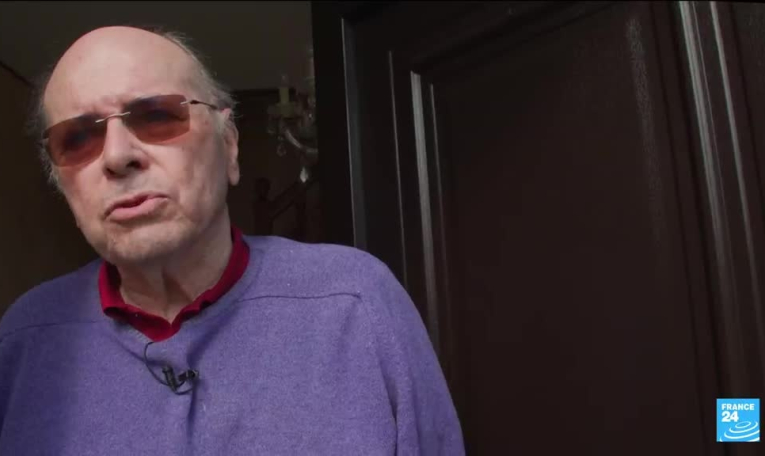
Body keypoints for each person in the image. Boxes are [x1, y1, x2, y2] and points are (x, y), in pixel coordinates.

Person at [0, 26, 463, 455]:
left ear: (230, 146)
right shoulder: (23, 337)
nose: (117, 156)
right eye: (78, 137)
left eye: (157, 115)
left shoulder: (357, 301)